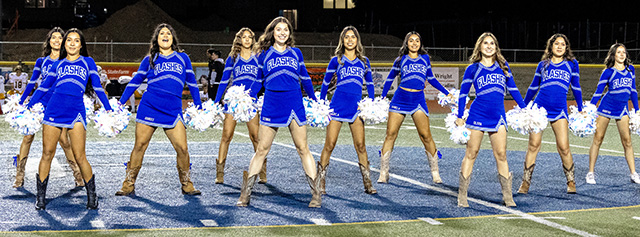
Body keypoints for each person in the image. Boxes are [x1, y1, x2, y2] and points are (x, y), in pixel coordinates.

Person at [236, 17, 322, 208]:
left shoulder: (296, 53)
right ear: (272, 33)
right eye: (278, 30)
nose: (282, 33)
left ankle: (316, 193)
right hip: (272, 103)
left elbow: (305, 79)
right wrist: (246, 96)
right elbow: (258, 81)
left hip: (294, 103)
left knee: (303, 148)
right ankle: (246, 193)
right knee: (261, 149)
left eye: (286, 30)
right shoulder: (264, 54)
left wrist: (315, 101)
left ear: (289, 33)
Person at [27, 28, 112, 210]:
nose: (72, 43)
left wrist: (109, 108)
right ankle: (40, 198)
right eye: (69, 40)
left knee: (80, 156)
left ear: (81, 45)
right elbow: (42, 88)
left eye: (76, 40)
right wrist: (27, 105)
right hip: (54, 111)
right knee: (47, 154)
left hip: (76, 112)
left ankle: (92, 196)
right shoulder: (58, 64)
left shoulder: (88, 62)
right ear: (65, 44)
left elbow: (97, 87)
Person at [114, 23, 202, 197]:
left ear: (173, 38)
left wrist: (199, 105)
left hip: (173, 109)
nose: (165, 35)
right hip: (150, 106)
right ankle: (128, 183)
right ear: (156, 39)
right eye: (162, 33)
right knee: (139, 146)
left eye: (168, 33)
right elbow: (135, 81)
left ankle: (186, 183)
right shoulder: (150, 59)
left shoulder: (183, 58)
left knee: (183, 148)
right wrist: (121, 102)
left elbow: (192, 82)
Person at [455, 32, 526, 207]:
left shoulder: (503, 66)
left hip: (498, 115)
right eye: (485, 43)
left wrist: (525, 108)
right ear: (480, 46)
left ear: (496, 47)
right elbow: (464, 93)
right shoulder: (473, 68)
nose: (489, 46)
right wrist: (459, 115)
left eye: (492, 43)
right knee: (472, 153)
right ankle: (462, 195)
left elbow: (513, 89)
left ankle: (507, 196)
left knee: (501, 154)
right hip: (477, 114)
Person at [13, 27, 85, 189]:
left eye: (60, 38)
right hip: (40, 104)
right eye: (54, 37)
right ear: (49, 41)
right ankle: (19, 174)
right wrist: (23, 101)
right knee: (28, 137)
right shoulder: (42, 61)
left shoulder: (68, 61)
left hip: (58, 105)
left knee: (64, 141)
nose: (57, 40)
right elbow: (33, 82)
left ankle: (77, 174)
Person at [377, 31, 451, 184]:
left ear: (420, 44)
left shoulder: (425, 59)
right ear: (406, 43)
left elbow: (431, 79)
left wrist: (446, 92)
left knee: (426, 135)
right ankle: (383, 172)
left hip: (418, 99)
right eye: (411, 40)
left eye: (417, 40)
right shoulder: (400, 59)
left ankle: (435, 173)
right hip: (400, 99)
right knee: (390, 134)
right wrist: (383, 97)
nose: (414, 43)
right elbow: (390, 78)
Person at [518, 34, 583, 194]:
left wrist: (581, 108)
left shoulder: (572, 64)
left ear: (566, 48)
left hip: (559, 110)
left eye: (563, 44)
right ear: (551, 46)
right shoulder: (543, 65)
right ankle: (525, 183)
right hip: (539, 109)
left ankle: (571, 181)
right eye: (556, 44)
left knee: (564, 147)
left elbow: (576, 87)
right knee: (533, 145)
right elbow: (534, 87)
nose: (560, 47)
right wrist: (524, 106)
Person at [318, 26, 377, 195]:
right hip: (337, 105)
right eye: (346, 37)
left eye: (353, 37)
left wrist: (371, 102)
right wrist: (322, 103)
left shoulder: (364, 61)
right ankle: (321, 182)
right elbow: (325, 83)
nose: (350, 40)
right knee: (330, 144)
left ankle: (368, 183)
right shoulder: (336, 60)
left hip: (356, 107)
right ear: (342, 41)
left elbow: (370, 84)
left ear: (357, 40)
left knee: (361, 146)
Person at [213, 27, 266, 184]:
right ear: (239, 40)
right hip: (234, 100)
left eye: (250, 37)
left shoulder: (258, 56)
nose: (248, 39)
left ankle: (262, 171)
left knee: (255, 136)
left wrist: (251, 94)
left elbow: (260, 79)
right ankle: (220, 173)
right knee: (226, 135)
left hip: (250, 100)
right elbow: (224, 80)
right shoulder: (233, 57)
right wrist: (216, 101)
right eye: (244, 37)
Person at [586, 43, 640, 184]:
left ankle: (634, 173)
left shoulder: (631, 70)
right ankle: (591, 173)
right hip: (606, 107)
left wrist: (637, 109)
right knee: (598, 139)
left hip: (622, 108)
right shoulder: (608, 72)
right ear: (613, 55)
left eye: (624, 52)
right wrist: (590, 109)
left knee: (627, 141)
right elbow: (598, 92)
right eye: (619, 52)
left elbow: (633, 91)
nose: (622, 54)